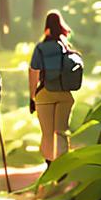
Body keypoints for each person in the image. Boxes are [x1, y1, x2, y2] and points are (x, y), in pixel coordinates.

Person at [28, 11, 76, 166]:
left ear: (47, 27)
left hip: (45, 94)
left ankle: (50, 165)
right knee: (61, 132)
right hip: (64, 95)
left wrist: (32, 97)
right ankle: (62, 166)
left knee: (48, 133)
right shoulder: (66, 47)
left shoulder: (41, 48)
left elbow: (33, 71)